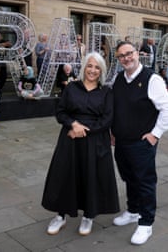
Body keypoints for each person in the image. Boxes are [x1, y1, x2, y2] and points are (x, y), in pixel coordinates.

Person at [42, 52, 120, 236]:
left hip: (95, 140)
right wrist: (73, 124)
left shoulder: (106, 92)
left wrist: (84, 130)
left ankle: (88, 216)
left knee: (91, 176)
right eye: (90, 66)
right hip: (70, 138)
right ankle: (60, 216)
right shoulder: (71, 88)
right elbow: (60, 112)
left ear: (101, 71)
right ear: (84, 67)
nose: (92, 70)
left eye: (97, 67)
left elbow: (107, 119)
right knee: (65, 175)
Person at [111, 41, 168, 245]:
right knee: (129, 177)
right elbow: (117, 107)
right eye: (121, 56)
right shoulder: (118, 79)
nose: (126, 58)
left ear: (137, 54)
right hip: (121, 141)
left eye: (129, 53)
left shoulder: (152, 79)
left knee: (145, 182)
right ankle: (132, 211)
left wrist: (155, 134)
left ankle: (146, 223)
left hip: (142, 143)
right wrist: (113, 131)